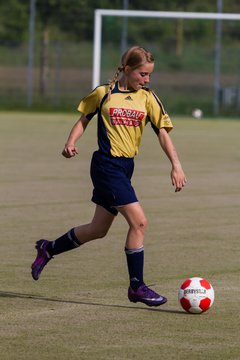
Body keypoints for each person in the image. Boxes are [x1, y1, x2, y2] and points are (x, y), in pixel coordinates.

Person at [31, 46, 187, 307]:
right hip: (106, 166)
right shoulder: (104, 93)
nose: (147, 79)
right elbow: (84, 119)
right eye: (142, 74)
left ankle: (48, 248)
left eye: (149, 75)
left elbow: (162, 132)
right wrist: (70, 142)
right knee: (139, 223)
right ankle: (137, 286)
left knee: (98, 229)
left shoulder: (148, 98)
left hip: (126, 168)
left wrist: (176, 164)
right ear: (127, 69)